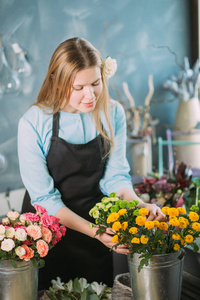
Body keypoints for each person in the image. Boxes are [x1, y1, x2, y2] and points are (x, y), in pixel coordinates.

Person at [18, 37, 164, 290]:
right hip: (44, 235)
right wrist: (96, 232)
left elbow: (115, 178)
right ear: (57, 81)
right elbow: (44, 197)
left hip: (95, 235)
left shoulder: (113, 112)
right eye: (79, 87)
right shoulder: (33, 122)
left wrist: (140, 205)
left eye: (96, 83)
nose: (90, 95)